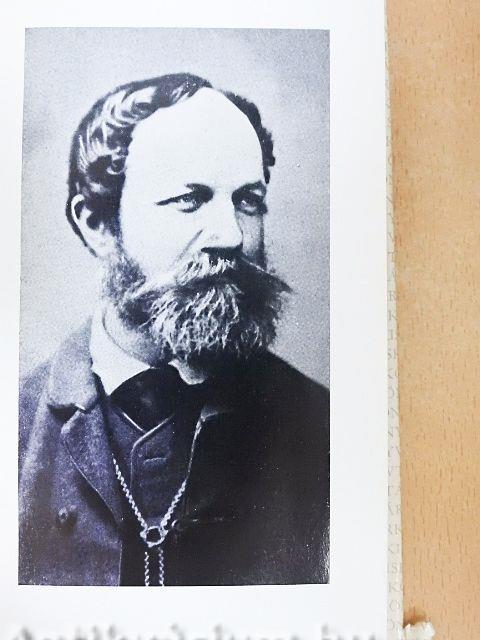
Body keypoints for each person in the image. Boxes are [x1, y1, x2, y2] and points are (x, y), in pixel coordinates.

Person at [18, 73, 329, 586]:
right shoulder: (16, 430)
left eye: (247, 200)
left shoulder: (323, 431)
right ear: (97, 224)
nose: (230, 236)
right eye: (190, 199)